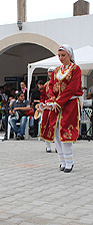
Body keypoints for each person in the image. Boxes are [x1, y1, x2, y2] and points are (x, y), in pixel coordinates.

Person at [40, 45, 83, 173]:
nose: (60, 58)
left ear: (69, 55)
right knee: (55, 131)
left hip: (69, 104)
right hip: (57, 105)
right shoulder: (57, 70)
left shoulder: (75, 69)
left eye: (63, 55)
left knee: (66, 131)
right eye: (59, 56)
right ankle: (62, 160)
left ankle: (69, 162)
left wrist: (58, 101)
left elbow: (73, 87)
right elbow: (51, 87)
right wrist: (52, 100)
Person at [38, 67, 56, 153]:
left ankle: (57, 146)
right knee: (46, 126)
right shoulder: (46, 85)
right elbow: (43, 96)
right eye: (49, 74)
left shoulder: (59, 84)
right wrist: (42, 103)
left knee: (55, 127)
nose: (50, 76)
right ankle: (47, 145)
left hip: (56, 108)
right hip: (47, 108)